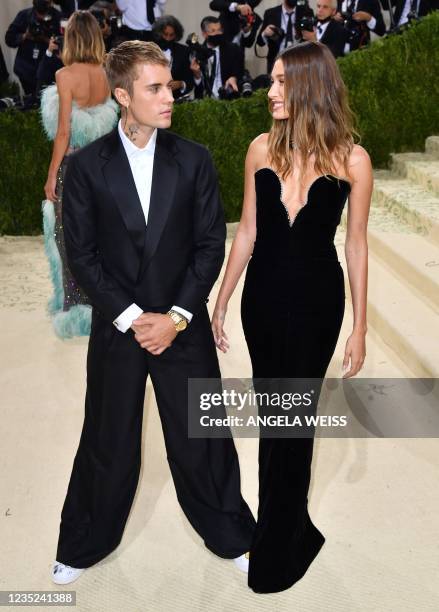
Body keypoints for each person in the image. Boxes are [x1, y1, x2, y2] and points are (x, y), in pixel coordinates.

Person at [50, 40, 256, 585]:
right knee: (107, 439)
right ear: (123, 96)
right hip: (120, 329)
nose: (170, 97)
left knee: (202, 439)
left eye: (170, 87)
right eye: (155, 89)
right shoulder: (86, 168)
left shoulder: (194, 159)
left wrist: (177, 317)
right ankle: (83, 542)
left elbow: (210, 246)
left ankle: (233, 535)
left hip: (181, 325)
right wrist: (131, 317)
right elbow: (82, 256)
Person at [212, 41, 371, 593]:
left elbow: (355, 245)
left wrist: (361, 325)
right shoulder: (259, 150)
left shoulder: (352, 159)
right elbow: (250, 231)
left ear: (309, 85)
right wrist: (222, 297)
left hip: (317, 306)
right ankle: (289, 526)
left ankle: (281, 541)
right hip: (263, 301)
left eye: (281, 82)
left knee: (294, 423)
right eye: (271, 81)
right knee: (274, 421)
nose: (271, 90)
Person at [40, 10, 118, 339]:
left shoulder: (64, 75)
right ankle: (101, 300)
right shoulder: (105, 73)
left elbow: (63, 132)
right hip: (102, 166)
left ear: (71, 38)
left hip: (72, 166)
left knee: (66, 234)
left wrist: (51, 173)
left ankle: (75, 305)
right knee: (98, 235)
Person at [5, 0, 61, 96]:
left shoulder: (58, 17)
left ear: (51, 2)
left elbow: (64, 43)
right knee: (31, 101)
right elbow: (9, 39)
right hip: (25, 70)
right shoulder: (24, 15)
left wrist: (45, 39)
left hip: (50, 72)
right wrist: (25, 36)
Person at [191, 16, 244, 99]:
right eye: (213, 31)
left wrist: (234, 78)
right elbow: (196, 88)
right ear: (204, 34)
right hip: (205, 102)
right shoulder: (198, 53)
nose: (218, 33)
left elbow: (240, 72)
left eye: (219, 30)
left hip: (228, 98)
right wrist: (197, 76)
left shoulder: (233, 49)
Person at [151, 15, 194, 99]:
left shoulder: (184, 51)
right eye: (165, 34)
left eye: (171, 35)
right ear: (159, 33)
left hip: (175, 99)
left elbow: (190, 80)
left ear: (176, 35)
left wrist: (181, 84)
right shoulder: (149, 50)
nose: (168, 38)